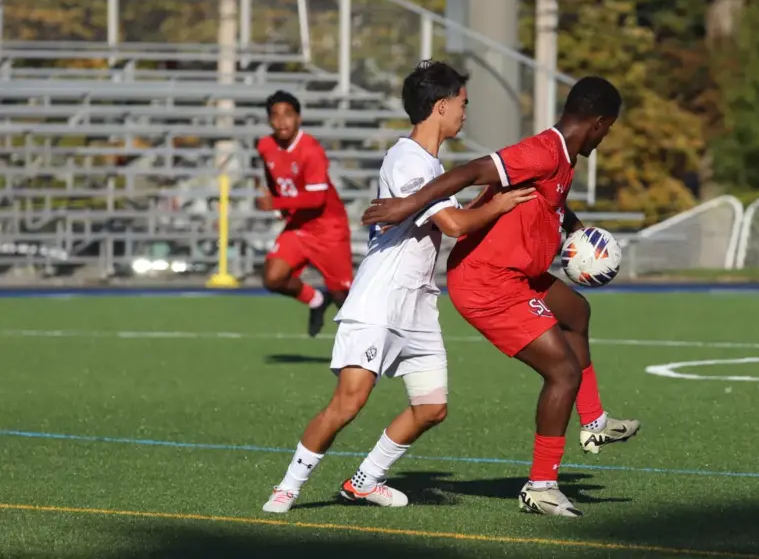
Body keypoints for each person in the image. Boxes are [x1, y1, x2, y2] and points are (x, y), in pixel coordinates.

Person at [262, 61, 536, 513]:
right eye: (463, 104)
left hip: (419, 305)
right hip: (381, 299)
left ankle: (365, 480)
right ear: (441, 106)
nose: (465, 113)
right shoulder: (408, 158)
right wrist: (501, 203)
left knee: (432, 407)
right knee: (348, 403)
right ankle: (287, 487)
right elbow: (453, 224)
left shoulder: (430, 162)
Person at [360, 76, 641, 518]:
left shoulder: (563, 157)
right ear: (598, 123)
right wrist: (404, 204)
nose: (607, 137)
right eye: (609, 129)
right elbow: (470, 172)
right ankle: (542, 486)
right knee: (563, 373)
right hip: (487, 282)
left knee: (576, 312)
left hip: (518, 275)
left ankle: (594, 422)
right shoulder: (542, 151)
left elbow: (553, 200)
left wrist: (575, 232)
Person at [255, 90, 352, 337]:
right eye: (275, 116)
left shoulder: (311, 150)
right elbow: (270, 172)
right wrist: (277, 198)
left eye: (288, 115)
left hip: (328, 227)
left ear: (299, 118)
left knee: (344, 296)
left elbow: (317, 198)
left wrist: (275, 202)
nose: (281, 121)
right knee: (273, 277)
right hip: (299, 225)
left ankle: (370, 346)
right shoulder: (266, 145)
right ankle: (316, 300)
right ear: (269, 120)